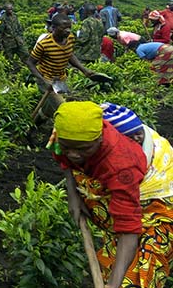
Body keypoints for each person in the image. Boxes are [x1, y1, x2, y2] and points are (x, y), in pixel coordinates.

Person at [51, 101, 173, 288]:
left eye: (83, 149)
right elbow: (61, 155)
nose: (74, 154)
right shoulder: (64, 135)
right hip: (123, 183)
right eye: (68, 147)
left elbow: (128, 228)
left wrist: (113, 285)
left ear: (100, 138)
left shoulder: (120, 165)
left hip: (158, 196)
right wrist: (73, 195)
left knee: (141, 270)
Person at [27, 14, 95, 88]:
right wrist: (43, 80)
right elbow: (30, 63)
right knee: (58, 100)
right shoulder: (44, 44)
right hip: (47, 80)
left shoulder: (70, 38)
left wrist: (84, 70)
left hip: (61, 79)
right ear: (53, 28)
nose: (68, 31)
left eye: (69, 28)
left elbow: (69, 54)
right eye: (64, 28)